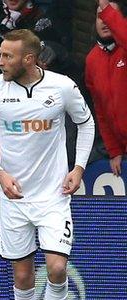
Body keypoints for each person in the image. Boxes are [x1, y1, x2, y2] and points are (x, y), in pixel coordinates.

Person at [0, 29, 95, 300]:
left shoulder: (62, 87)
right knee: (24, 278)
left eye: (7, 56)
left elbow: (86, 123)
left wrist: (79, 167)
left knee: (57, 268)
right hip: (13, 200)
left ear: (29, 58)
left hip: (53, 196)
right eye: (0, 54)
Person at [85, 0, 127, 176]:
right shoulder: (92, 59)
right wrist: (114, 150)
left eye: (108, 14)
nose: (104, 20)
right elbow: (100, 110)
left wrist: (105, 6)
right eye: (99, 16)